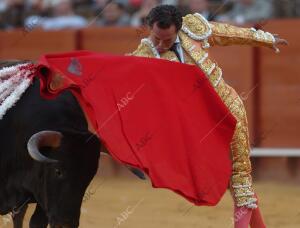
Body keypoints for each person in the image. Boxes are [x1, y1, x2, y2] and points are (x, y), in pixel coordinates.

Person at [131, 5, 288, 228]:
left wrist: (264, 38)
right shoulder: (143, 56)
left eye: (167, 39)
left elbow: (228, 33)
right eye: (157, 38)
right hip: (196, 125)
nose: (161, 44)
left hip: (227, 107)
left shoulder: (192, 30)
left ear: (179, 28)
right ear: (149, 29)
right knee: (229, 180)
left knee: (240, 176)